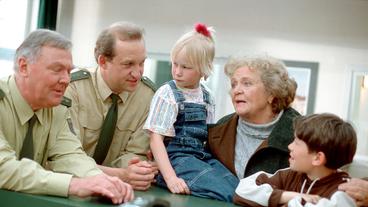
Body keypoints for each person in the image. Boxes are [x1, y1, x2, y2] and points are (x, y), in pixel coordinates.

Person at [0, 29, 133, 204]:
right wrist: (74, 185)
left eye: (68, 71)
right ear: (24, 67)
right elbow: (4, 168)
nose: (66, 80)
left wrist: (100, 181)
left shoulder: (56, 108)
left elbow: (70, 154)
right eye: (57, 70)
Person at [143, 23, 239, 202]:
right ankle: (162, 177)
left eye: (186, 67)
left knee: (237, 187)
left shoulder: (207, 96)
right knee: (226, 193)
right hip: (176, 159)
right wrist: (171, 178)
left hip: (200, 156)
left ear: (204, 68)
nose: (177, 72)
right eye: (175, 64)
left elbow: (207, 136)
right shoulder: (167, 94)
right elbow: (156, 140)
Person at [65, 21, 157, 191]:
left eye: (142, 63)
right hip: (74, 188)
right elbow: (68, 159)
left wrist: (137, 171)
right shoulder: (72, 89)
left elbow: (135, 154)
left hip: (118, 192)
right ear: (103, 61)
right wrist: (122, 175)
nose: (137, 73)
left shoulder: (148, 96)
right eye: (128, 64)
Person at [233, 113, 357, 207]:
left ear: (317, 158)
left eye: (297, 143)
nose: (289, 146)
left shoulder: (345, 191)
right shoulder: (291, 175)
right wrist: (288, 196)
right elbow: (243, 189)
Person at [207, 55, 300, 180]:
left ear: (272, 92)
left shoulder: (300, 134)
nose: (236, 90)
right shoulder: (219, 130)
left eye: (247, 83)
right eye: (234, 84)